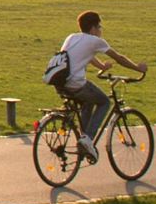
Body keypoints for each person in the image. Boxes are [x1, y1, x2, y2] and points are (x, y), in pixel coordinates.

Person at [56, 10, 146, 164]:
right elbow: (119, 58)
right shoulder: (96, 41)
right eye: (99, 27)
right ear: (93, 28)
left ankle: (84, 141)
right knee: (104, 102)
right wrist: (138, 68)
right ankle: (87, 139)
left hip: (60, 83)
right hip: (76, 84)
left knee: (89, 101)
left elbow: (85, 55)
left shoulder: (72, 37)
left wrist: (102, 66)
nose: (100, 30)